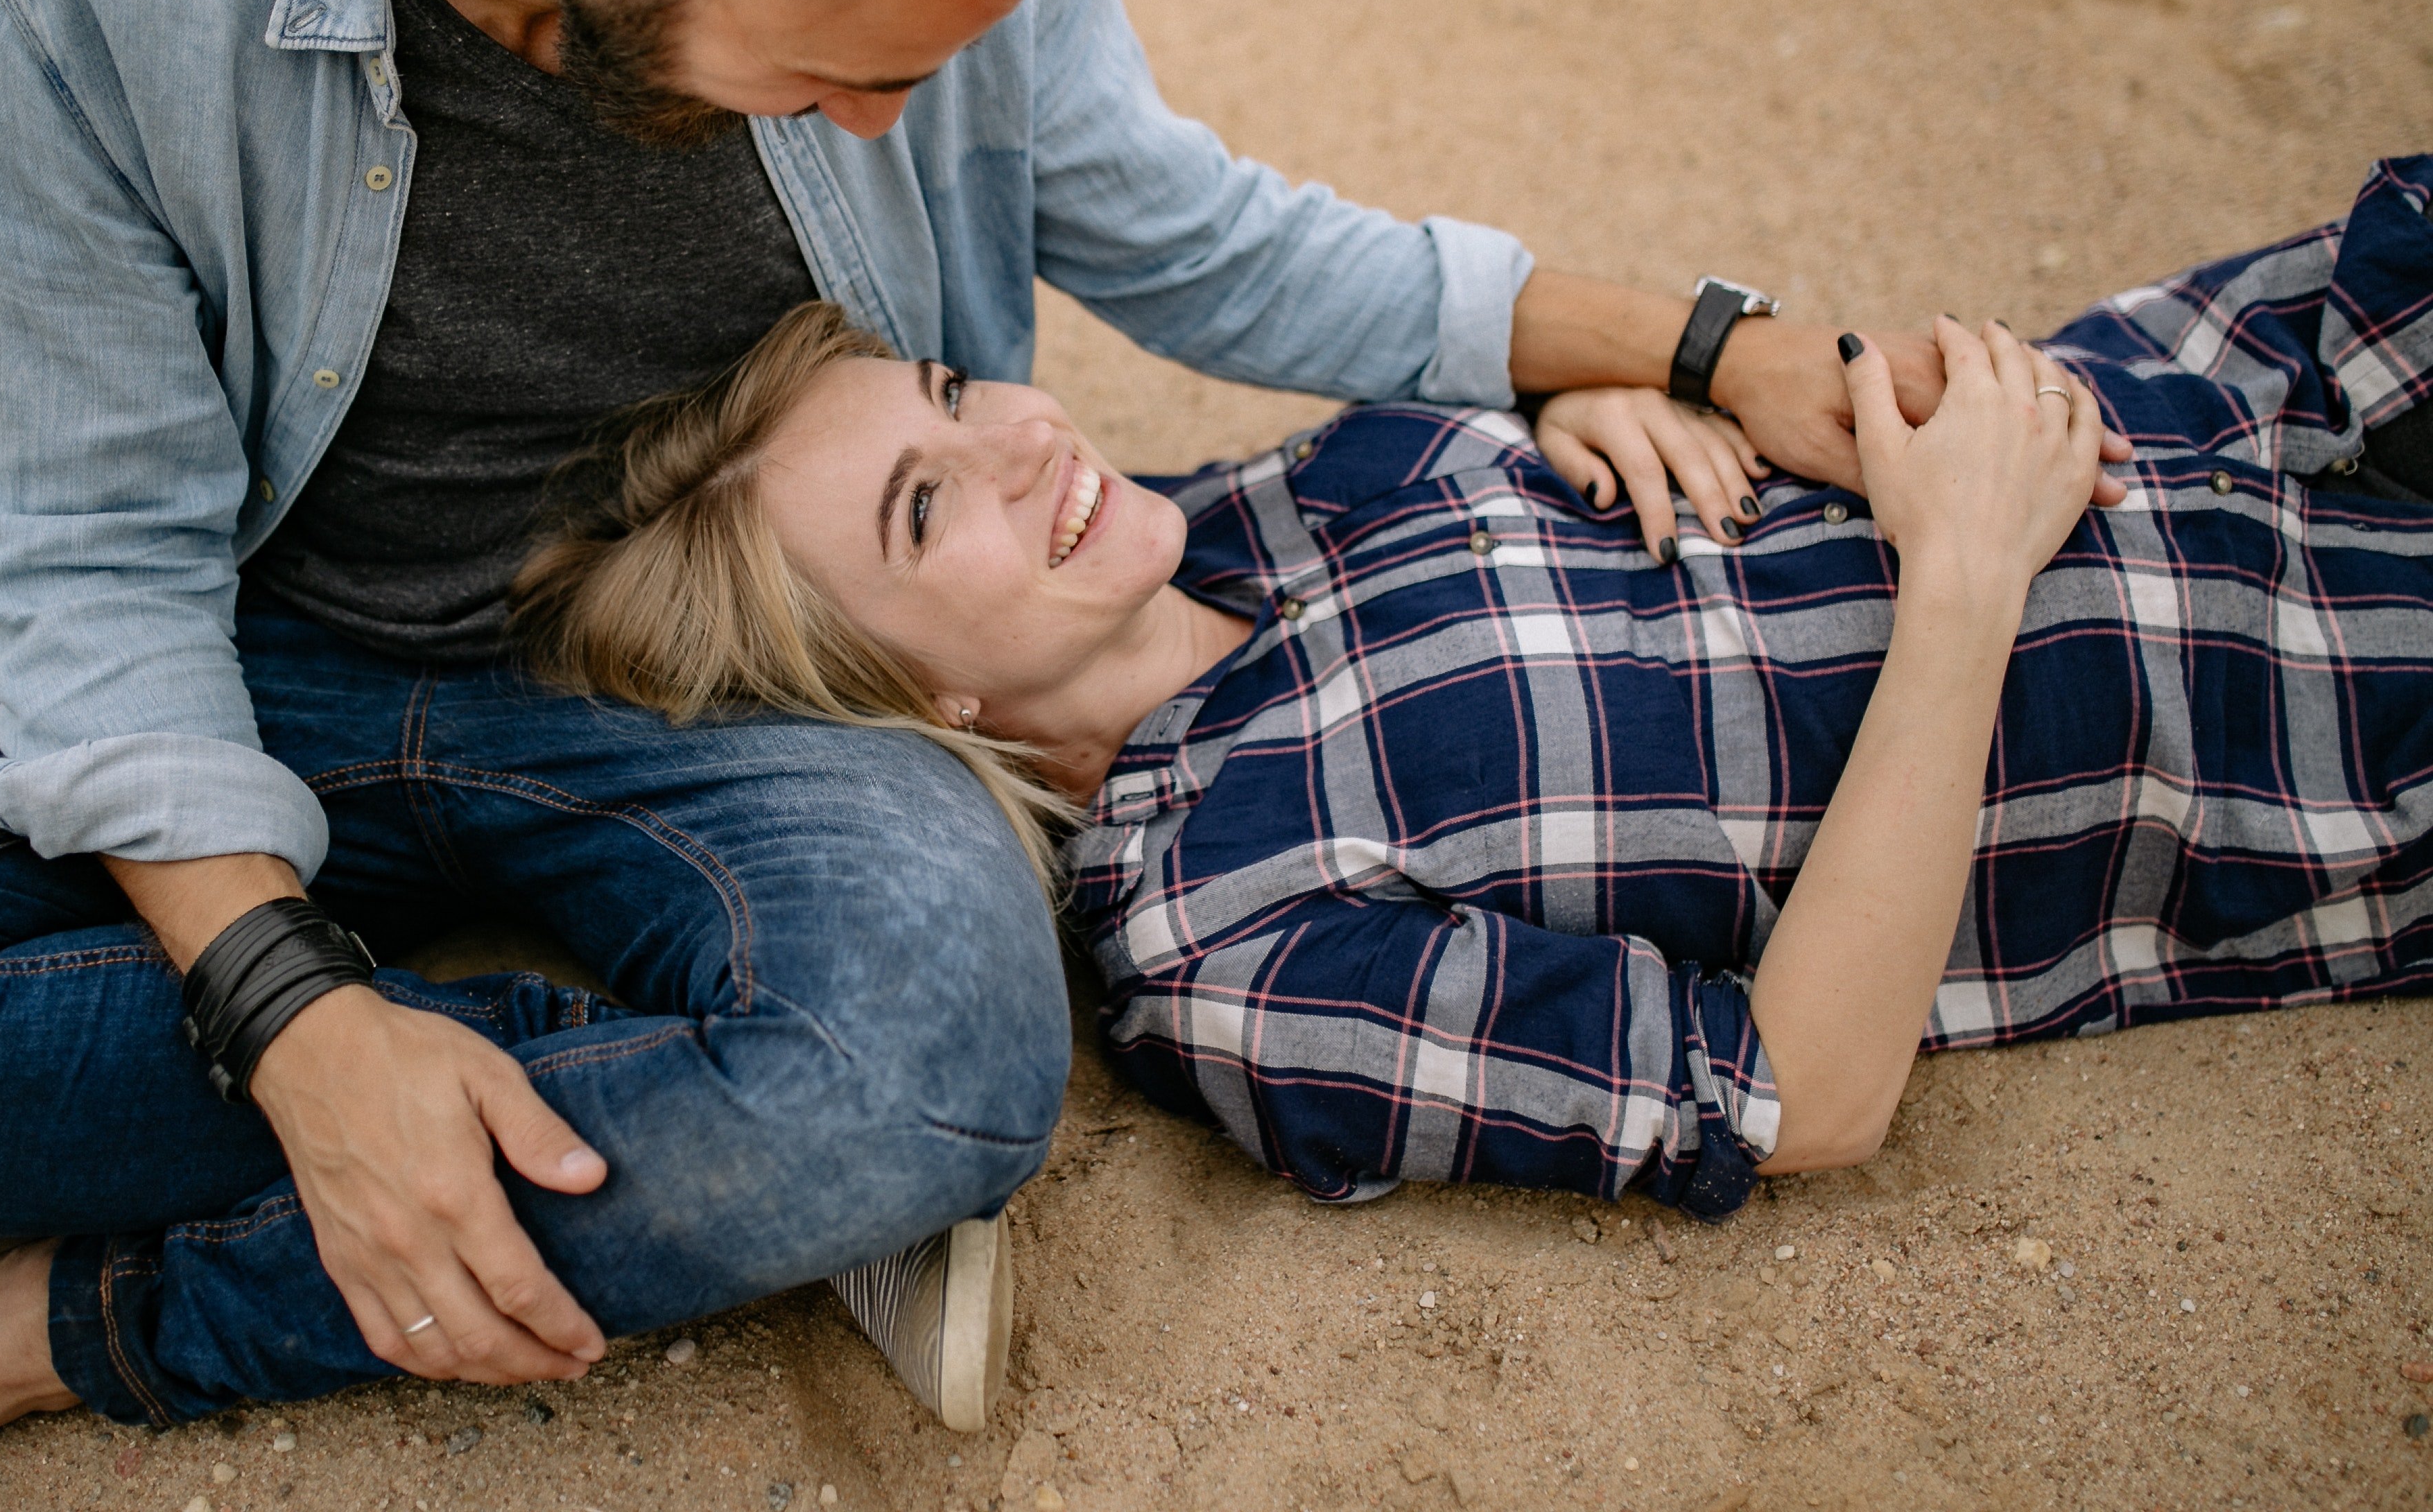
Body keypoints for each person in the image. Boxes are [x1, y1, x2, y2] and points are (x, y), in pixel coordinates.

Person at [0, 0, 1968, 1500]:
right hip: (262, 678)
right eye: (854, 86)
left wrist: (1692, 328)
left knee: (938, 1049)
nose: (905, 126)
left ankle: (33, 1328)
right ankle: (659, 1127)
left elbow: (1201, 241)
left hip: (739, 702)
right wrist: (296, 1021)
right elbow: (88, 561)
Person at [512, 157, 2433, 1217]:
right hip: (2305, 706)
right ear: (909, 706)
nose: (1019, 434)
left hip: (2247, 370)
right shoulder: (1229, 952)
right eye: (933, 509)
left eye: (945, 391)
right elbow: (1793, 1095)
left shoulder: (1225, 514)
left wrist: (1600, 391)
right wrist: (1964, 579)